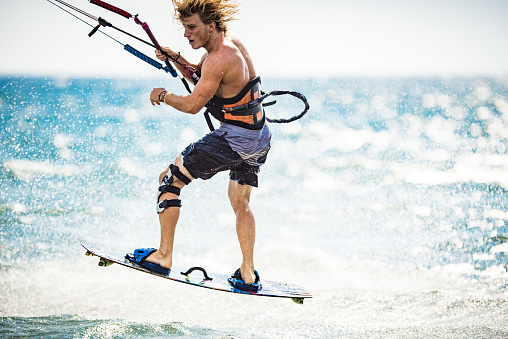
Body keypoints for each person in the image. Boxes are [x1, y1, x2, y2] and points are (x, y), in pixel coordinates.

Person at [126, 0, 271, 291]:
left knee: (169, 180)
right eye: (184, 28)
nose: (186, 34)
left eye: (191, 27)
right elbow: (202, 73)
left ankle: (163, 256)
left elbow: (193, 104)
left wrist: (163, 95)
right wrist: (176, 57)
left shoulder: (218, 59)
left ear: (211, 26)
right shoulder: (230, 46)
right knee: (241, 202)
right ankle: (247, 272)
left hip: (235, 138)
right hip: (259, 136)